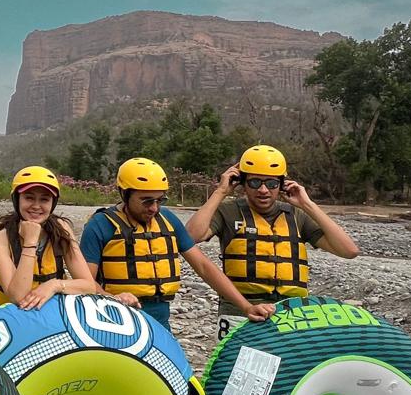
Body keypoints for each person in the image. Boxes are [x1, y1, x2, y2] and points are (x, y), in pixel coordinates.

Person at [80, 158, 277, 332]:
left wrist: (246, 307)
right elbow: (84, 281)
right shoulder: (100, 225)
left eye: (160, 200)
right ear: (124, 193)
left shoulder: (167, 219)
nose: (154, 208)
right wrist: (111, 298)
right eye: (146, 201)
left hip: (160, 320)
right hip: (115, 319)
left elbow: (203, 266)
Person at [186, 144, 360, 338]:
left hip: (293, 314)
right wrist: (220, 192)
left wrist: (307, 204)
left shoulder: (297, 215)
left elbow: (349, 250)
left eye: (271, 183)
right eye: (254, 183)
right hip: (240, 313)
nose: (263, 190)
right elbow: (191, 237)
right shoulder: (228, 211)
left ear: (282, 185)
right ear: (241, 182)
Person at [0, 165, 103, 318]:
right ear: (17, 200)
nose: (36, 206)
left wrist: (54, 285)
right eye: (29, 197)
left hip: (48, 317)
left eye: (44, 199)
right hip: (9, 319)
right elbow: (17, 297)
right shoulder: (0, 239)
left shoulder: (61, 230)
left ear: (53, 203)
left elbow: (88, 285)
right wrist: (30, 240)